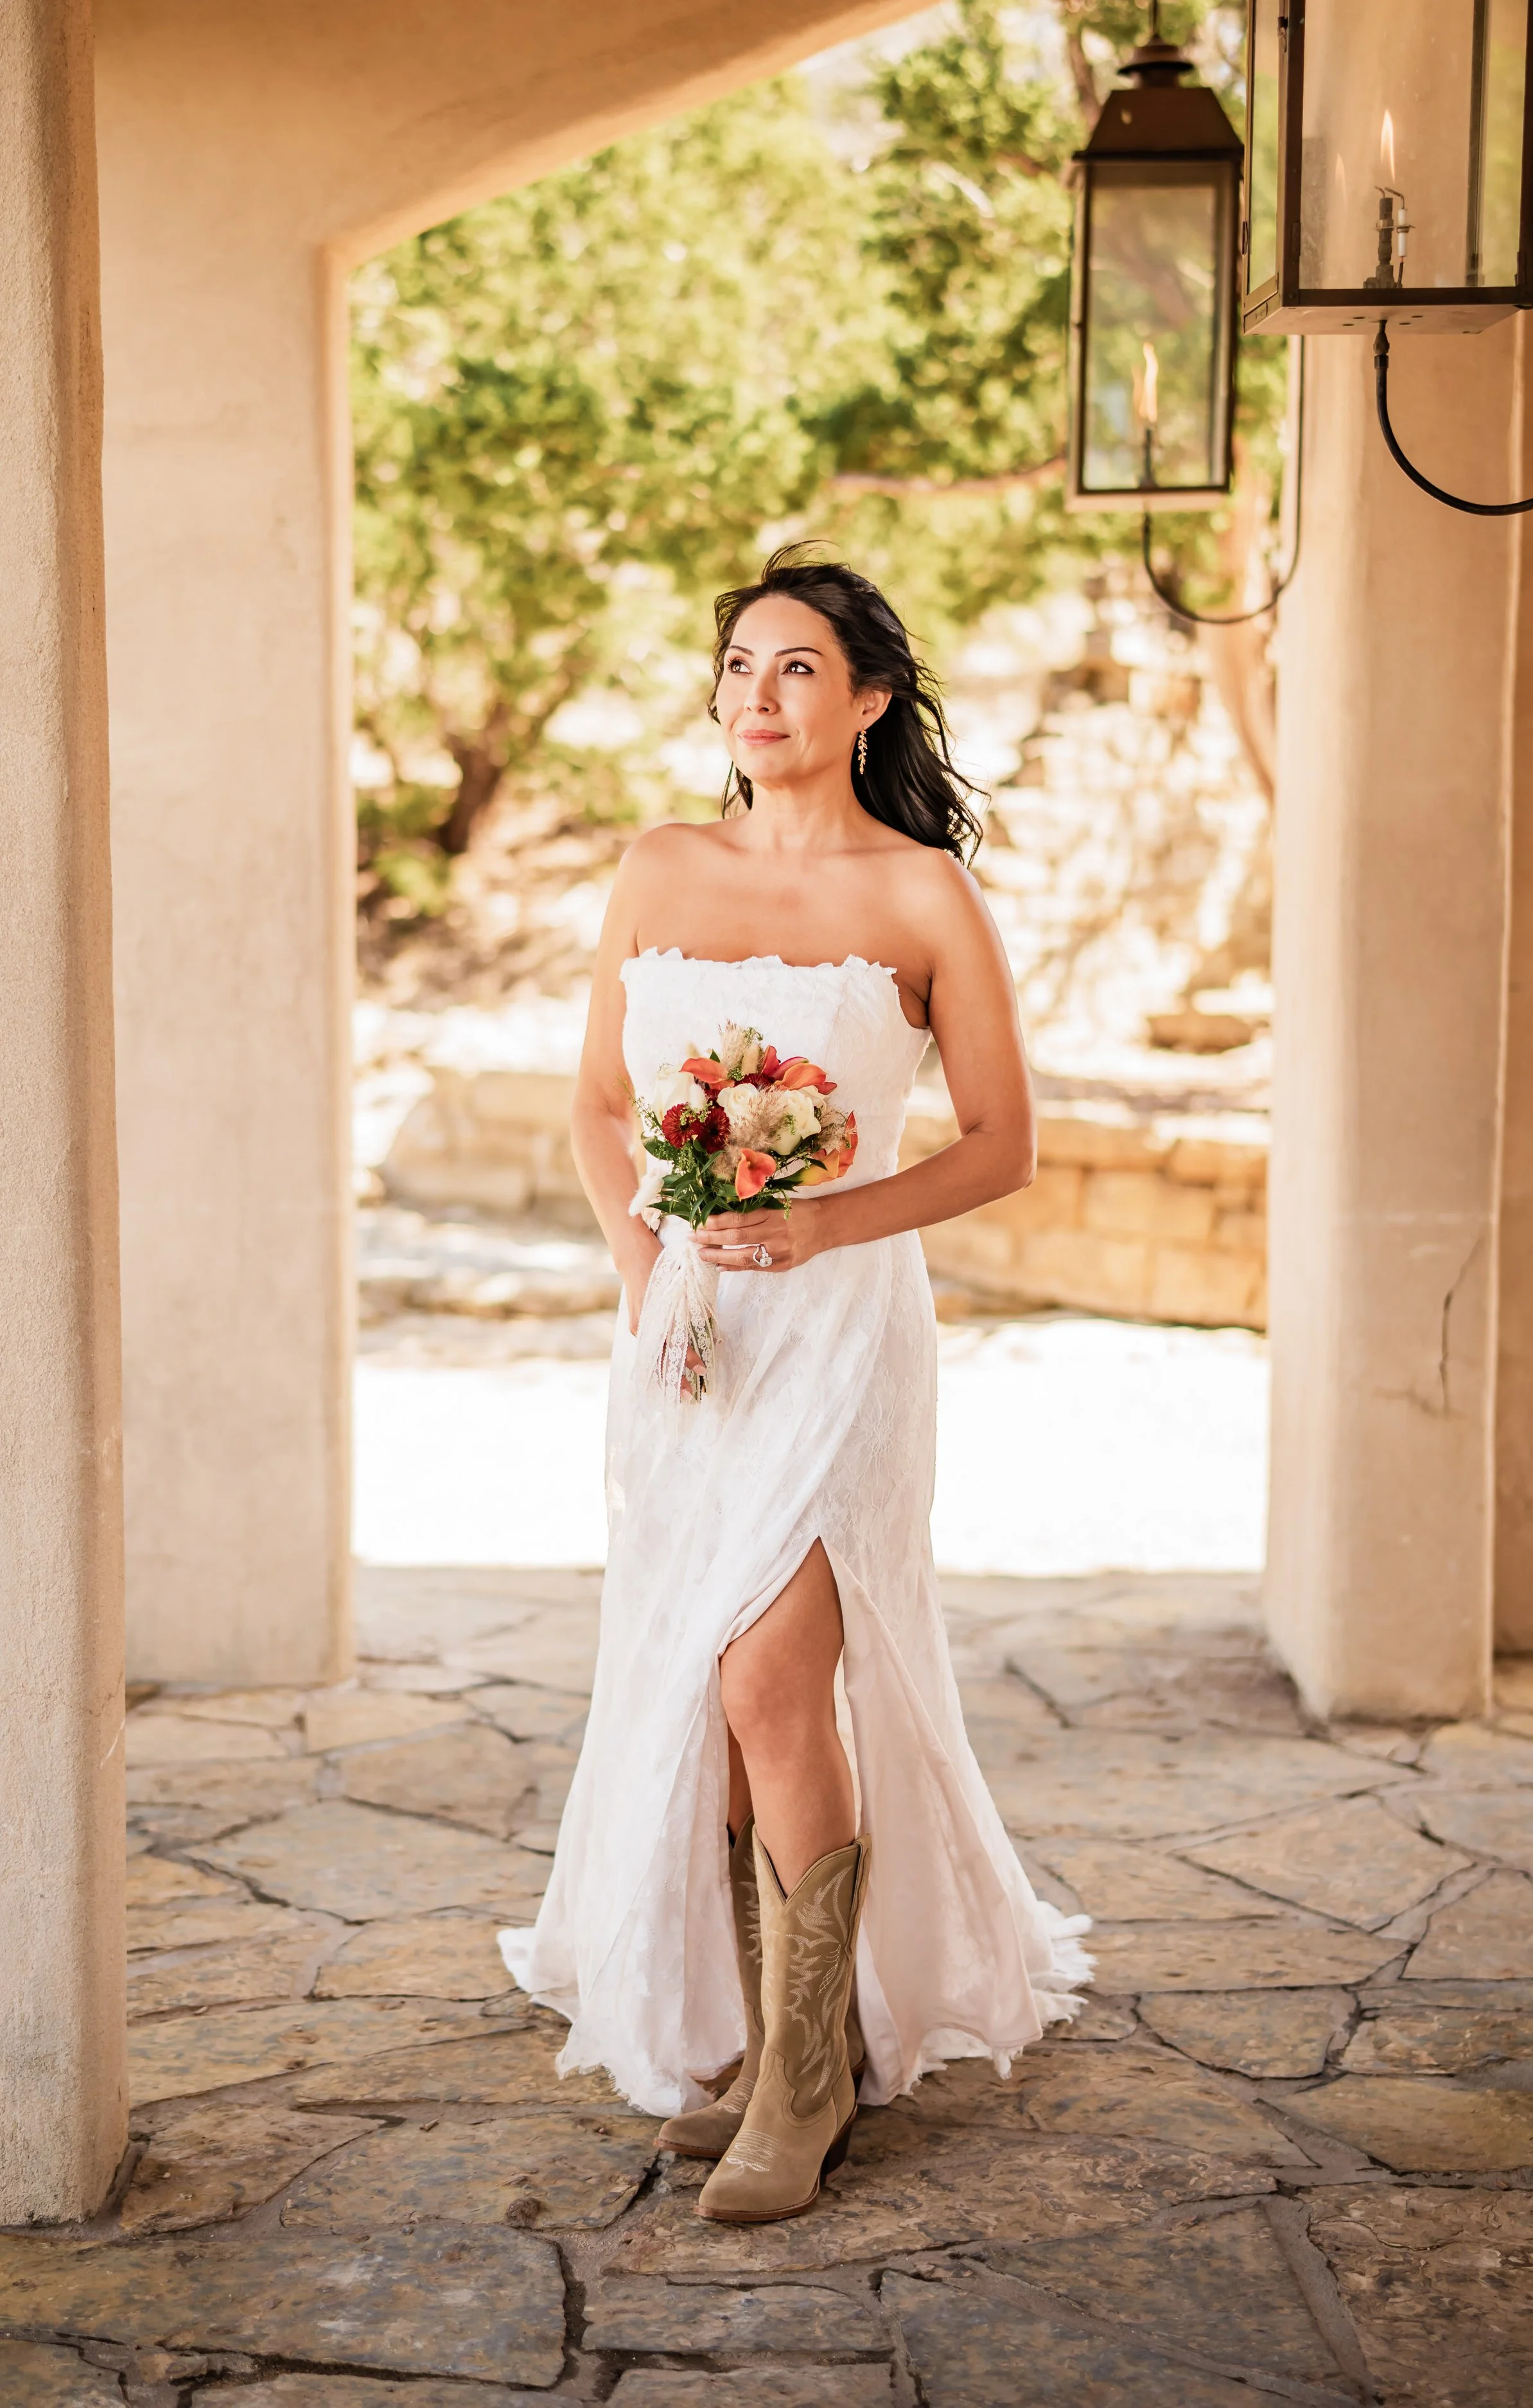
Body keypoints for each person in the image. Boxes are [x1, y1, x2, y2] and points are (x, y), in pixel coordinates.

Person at [499, 545, 1091, 2226]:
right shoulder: (659, 863)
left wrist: (824, 1216)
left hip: (842, 1330)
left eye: (796, 670)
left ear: (868, 698)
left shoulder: (922, 896)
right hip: (687, 1329)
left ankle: (809, 2071)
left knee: (772, 1673)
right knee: (706, 1670)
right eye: (739, 666)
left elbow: (1002, 1144)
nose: (757, 698)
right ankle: (768, 2036)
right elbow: (601, 1107)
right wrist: (644, 1270)